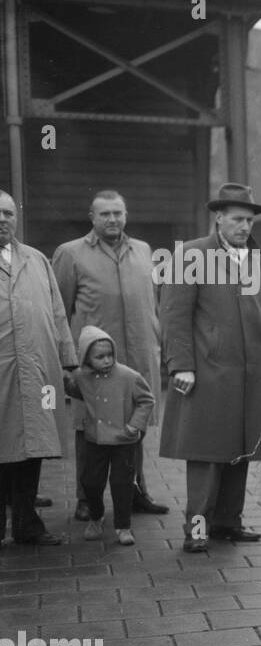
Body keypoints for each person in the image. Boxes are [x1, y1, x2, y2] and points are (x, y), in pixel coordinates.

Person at [158, 183, 261, 554]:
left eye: (249, 221)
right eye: (238, 219)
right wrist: (181, 366)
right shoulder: (193, 255)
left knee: (241, 448)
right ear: (218, 218)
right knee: (206, 454)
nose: (245, 227)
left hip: (251, 372)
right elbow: (174, 315)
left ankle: (228, 522)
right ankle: (197, 529)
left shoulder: (256, 260)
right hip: (208, 372)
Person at [52, 190, 169, 520]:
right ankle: (86, 499)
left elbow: (154, 306)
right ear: (92, 217)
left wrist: (162, 349)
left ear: (126, 215)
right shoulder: (70, 254)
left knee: (137, 426)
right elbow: (58, 310)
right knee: (90, 431)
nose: (113, 219)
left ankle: (134, 493)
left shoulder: (144, 251)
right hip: (95, 365)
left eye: (118, 212)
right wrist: (68, 362)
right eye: (104, 214)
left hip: (139, 359)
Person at [0, 190, 77, 546]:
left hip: (37, 370)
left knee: (33, 447)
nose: (3, 220)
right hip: (3, 370)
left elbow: (58, 313)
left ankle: (28, 525)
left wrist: (67, 362)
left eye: (8, 213)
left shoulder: (35, 259)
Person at [63, 326, 154, 545]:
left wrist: (135, 425)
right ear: (86, 357)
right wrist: (66, 381)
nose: (106, 360)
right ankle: (96, 516)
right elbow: (78, 392)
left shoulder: (128, 376)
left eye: (110, 355)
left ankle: (123, 527)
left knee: (122, 484)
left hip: (124, 440)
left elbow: (147, 400)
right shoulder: (83, 376)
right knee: (90, 482)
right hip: (95, 440)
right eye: (99, 356)